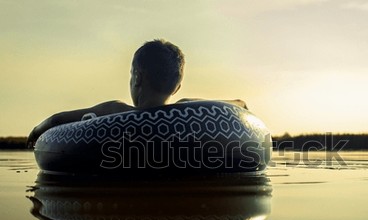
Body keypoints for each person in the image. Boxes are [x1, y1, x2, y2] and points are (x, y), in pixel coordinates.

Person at [27, 39, 246, 147]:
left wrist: (37, 132)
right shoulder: (188, 109)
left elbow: (57, 120)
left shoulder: (115, 110)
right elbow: (238, 103)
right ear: (177, 87)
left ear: (137, 77)